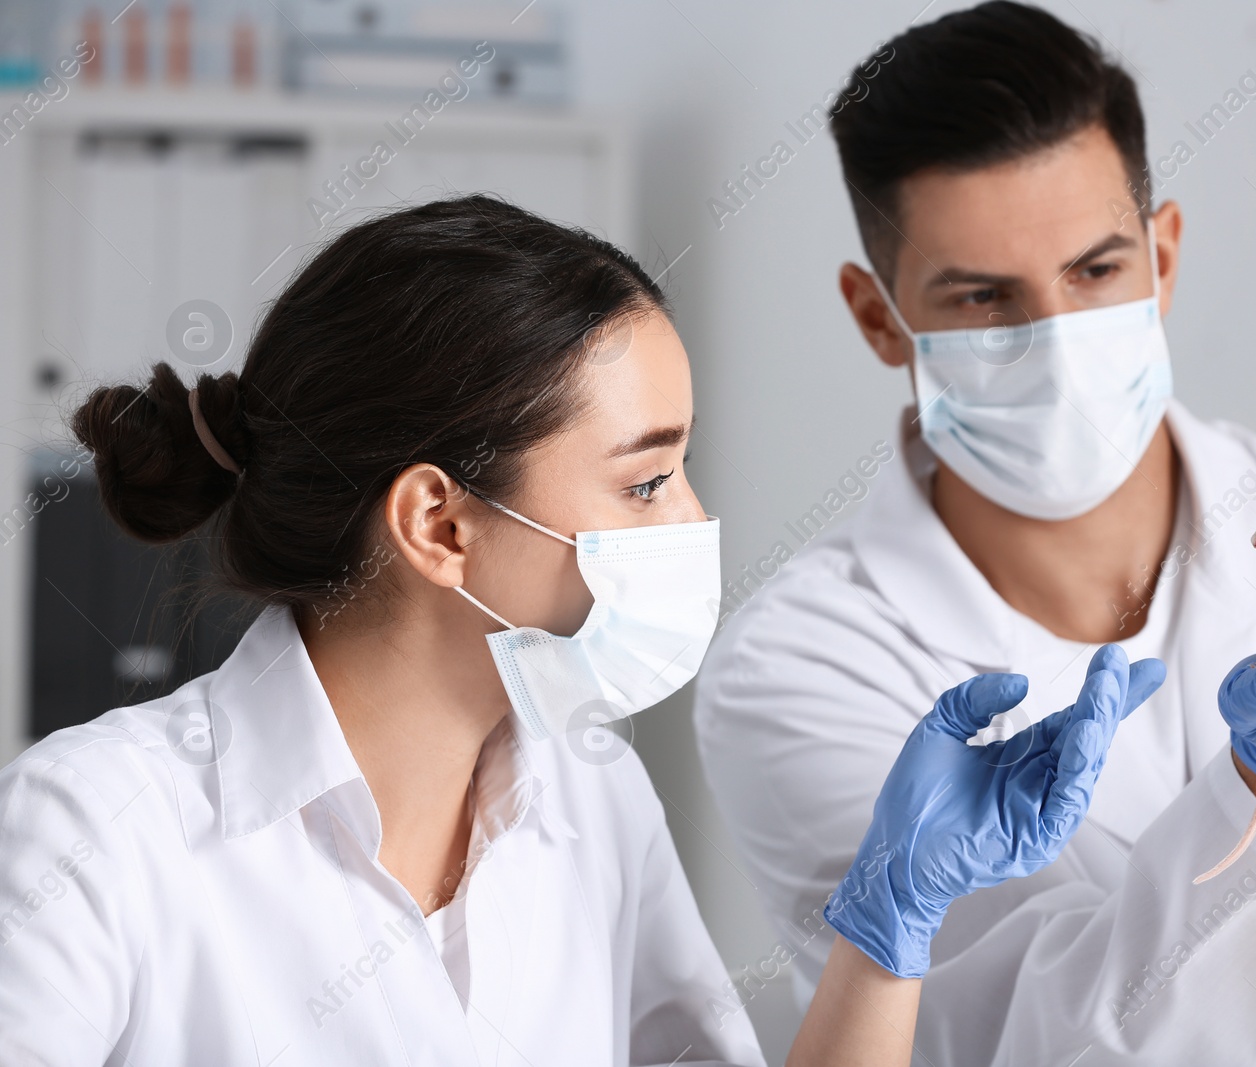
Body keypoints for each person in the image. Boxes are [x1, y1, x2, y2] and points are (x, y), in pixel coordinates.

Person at [0, 196, 1165, 1066]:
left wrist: (889, 920)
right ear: (439, 524)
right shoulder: (93, 833)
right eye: (648, 482)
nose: (700, 520)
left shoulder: (587, 796)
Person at [694, 4, 1256, 1065]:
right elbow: (1004, 1044)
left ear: (1161, 255)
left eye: (1094, 271)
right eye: (984, 296)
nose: (1058, 344)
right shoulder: (796, 664)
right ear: (878, 316)